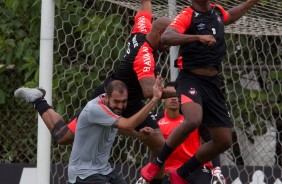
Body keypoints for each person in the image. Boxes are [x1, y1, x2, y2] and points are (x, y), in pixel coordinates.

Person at [15, 0, 173, 183]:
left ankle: (153, 180)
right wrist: (184, 91)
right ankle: (38, 100)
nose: (171, 44)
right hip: (114, 98)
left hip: (133, 101)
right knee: (63, 136)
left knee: (161, 146)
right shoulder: (144, 56)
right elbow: (149, 91)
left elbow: (145, 9)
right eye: (170, 39)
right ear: (160, 33)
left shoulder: (144, 28)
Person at [140, 0, 260, 184]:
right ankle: (157, 163)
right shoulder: (187, 15)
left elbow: (234, 13)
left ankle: (182, 173)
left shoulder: (217, 12)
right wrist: (197, 37)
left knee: (224, 140)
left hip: (213, 83)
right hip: (191, 79)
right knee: (193, 120)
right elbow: (166, 38)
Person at [66, 76, 163, 184]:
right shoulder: (95, 108)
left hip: (104, 171)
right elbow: (128, 125)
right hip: (83, 174)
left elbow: (119, 128)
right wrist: (154, 100)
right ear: (106, 97)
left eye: (124, 101)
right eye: (116, 101)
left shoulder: (112, 108)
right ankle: (42, 102)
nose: (120, 106)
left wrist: (138, 135)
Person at [156, 82, 224, 184]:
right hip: (168, 171)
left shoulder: (193, 118)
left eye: (176, 95)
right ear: (163, 98)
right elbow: (153, 148)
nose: (174, 98)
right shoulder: (156, 121)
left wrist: (216, 168)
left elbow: (212, 142)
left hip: (196, 168)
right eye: (170, 95)